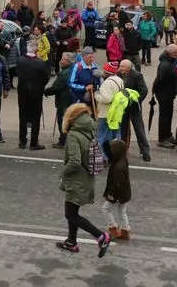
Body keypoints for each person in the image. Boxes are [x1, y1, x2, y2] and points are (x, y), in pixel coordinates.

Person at [57, 103, 112, 257]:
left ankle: (101, 236)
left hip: (76, 179)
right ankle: (71, 242)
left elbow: (74, 162)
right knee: (73, 211)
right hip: (87, 177)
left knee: (71, 215)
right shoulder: (89, 130)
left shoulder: (73, 135)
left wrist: (63, 173)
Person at [16, 39, 51, 150]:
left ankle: (22, 141)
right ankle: (33, 143)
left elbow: (17, 73)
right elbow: (46, 78)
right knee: (36, 118)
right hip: (36, 94)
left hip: (22, 93)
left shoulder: (20, 60)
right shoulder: (41, 63)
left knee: (22, 117)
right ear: (36, 49)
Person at [117, 59, 150, 161]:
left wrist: (136, 101)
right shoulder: (118, 74)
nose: (120, 68)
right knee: (123, 130)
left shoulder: (137, 75)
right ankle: (123, 150)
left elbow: (144, 90)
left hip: (134, 107)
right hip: (123, 107)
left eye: (122, 66)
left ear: (129, 67)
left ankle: (145, 152)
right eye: (120, 66)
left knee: (139, 129)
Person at [102, 139, 132, 240]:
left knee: (105, 209)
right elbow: (110, 155)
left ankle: (113, 228)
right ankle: (125, 230)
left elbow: (117, 184)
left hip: (117, 194)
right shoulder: (122, 160)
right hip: (125, 193)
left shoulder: (118, 167)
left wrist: (111, 194)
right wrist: (106, 145)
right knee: (122, 211)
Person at [94, 62, 125, 160]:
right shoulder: (119, 80)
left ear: (106, 72)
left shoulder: (107, 83)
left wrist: (96, 95)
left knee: (102, 136)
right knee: (114, 137)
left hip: (106, 113)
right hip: (116, 113)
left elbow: (107, 99)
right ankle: (115, 156)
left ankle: (102, 157)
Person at [45, 52, 76, 149]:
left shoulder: (66, 73)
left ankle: (63, 141)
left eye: (63, 59)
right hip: (71, 100)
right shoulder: (73, 69)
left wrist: (46, 91)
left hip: (65, 101)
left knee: (63, 122)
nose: (60, 61)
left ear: (68, 61)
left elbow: (57, 87)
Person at [152, 44, 177, 147]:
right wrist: (156, 91)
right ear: (171, 53)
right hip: (164, 95)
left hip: (169, 94)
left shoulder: (170, 61)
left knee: (168, 115)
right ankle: (163, 138)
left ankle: (168, 134)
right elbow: (159, 80)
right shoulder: (165, 64)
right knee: (164, 116)